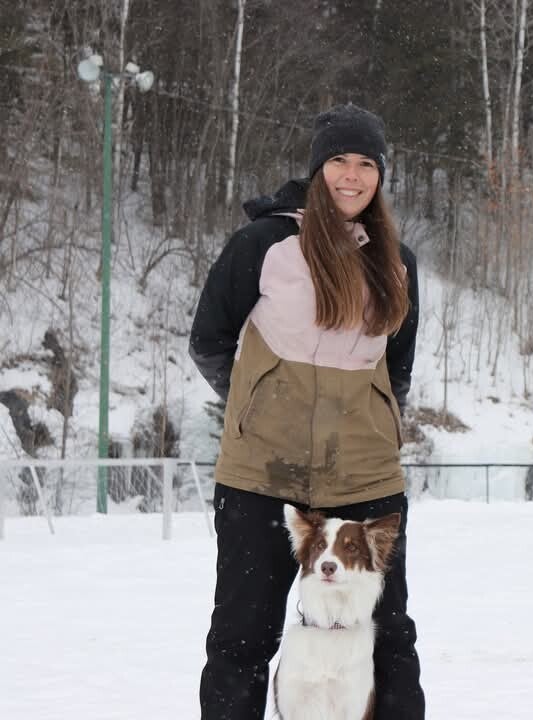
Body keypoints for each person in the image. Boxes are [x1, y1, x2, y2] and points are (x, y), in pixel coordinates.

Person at [189, 104, 424, 720]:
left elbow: (397, 365)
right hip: (262, 473)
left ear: (380, 175)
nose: (352, 175)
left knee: (390, 638)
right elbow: (209, 338)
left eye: (366, 163)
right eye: (339, 161)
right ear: (317, 168)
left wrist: (374, 421)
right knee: (242, 639)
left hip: (365, 475)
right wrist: (256, 408)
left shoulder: (399, 261)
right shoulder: (263, 242)